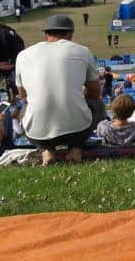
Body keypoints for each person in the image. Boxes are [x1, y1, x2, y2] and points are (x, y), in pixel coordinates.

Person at [15, 15, 101, 165]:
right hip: (77, 131)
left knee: (25, 108)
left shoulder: (23, 55)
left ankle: (46, 151)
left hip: (37, 134)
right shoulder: (82, 51)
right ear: (70, 34)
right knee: (98, 105)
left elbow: (24, 97)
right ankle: (75, 149)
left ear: (46, 34)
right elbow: (95, 93)